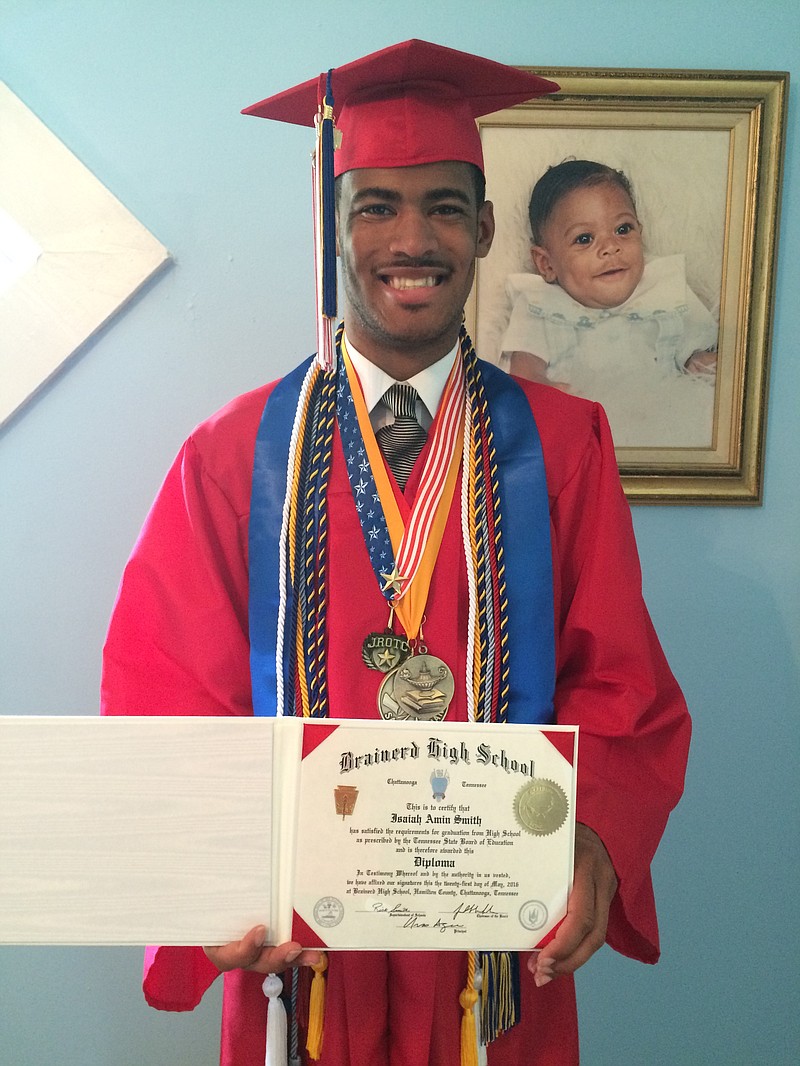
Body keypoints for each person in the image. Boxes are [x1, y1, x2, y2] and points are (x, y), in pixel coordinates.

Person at [101, 40, 691, 1066]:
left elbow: (619, 681)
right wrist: (210, 882)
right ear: (332, 226)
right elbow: (167, 691)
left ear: (485, 228)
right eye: (374, 204)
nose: (410, 237)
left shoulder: (561, 446)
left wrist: (591, 839)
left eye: (444, 207)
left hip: (490, 952)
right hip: (302, 961)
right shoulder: (236, 454)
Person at [500, 159, 718, 447]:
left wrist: (703, 364)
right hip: (582, 438)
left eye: (623, 229)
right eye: (585, 238)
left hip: (660, 428)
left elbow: (698, 359)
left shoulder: (664, 293)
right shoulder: (542, 305)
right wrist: (551, 393)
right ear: (546, 263)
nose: (610, 247)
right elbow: (525, 375)